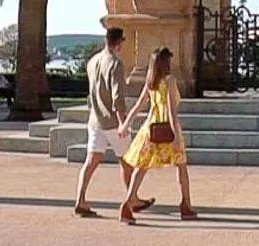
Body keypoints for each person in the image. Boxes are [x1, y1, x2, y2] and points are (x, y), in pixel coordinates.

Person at [73, 28, 154, 218]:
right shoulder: (115, 64)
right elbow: (118, 97)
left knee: (91, 160)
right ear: (119, 43)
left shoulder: (93, 62)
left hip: (95, 119)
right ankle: (131, 197)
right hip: (111, 120)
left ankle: (80, 199)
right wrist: (122, 123)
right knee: (127, 161)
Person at [119, 46, 196, 224]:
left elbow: (139, 105)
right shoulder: (169, 80)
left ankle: (128, 201)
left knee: (142, 166)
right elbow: (171, 110)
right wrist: (175, 133)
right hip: (167, 128)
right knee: (181, 166)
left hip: (151, 127)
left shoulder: (151, 81)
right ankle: (186, 204)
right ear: (165, 63)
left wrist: (126, 124)